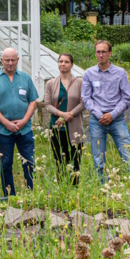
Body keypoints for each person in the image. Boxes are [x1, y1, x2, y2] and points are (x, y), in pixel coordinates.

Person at [0, 47, 39, 196]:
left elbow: (33, 102)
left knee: (29, 162)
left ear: (17, 60)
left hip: (25, 129)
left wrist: (24, 121)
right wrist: (6, 123)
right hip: (4, 130)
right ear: (2, 60)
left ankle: (31, 194)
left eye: (12, 60)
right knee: (6, 164)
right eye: (7, 60)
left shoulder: (25, 78)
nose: (10, 63)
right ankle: (9, 196)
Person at [81, 40, 130, 181]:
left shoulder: (120, 73)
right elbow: (86, 98)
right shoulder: (89, 73)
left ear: (110, 53)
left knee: (127, 154)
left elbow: (127, 98)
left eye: (104, 52)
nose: (101, 55)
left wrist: (112, 115)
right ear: (95, 54)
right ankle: (102, 188)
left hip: (117, 119)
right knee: (99, 159)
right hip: (97, 120)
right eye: (98, 52)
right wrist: (100, 115)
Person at [44, 53, 85, 184]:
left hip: (74, 127)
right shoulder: (51, 83)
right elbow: (47, 105)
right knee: (59, 159)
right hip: (56, 127)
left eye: (66, 62)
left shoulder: (79, 82)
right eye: (60, 61)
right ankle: (62, 186)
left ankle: (74, 187)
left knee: (75, 159)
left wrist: (70, 114)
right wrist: (62, 115)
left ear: (72, 64)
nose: (63, 64)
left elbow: (83, 102)